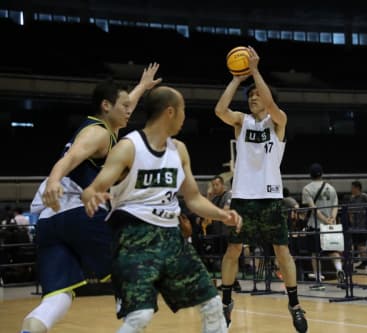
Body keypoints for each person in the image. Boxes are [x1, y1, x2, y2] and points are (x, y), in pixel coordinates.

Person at [81, 86, 242, 333]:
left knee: (212, 306)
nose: (184, 116)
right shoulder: (128, 147)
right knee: (140, 316)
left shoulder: (179, 150)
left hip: (172, 238)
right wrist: (91, 196)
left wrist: (222, 214)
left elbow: (194, 198)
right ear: (170, 112)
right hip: (134, 238)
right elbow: (93, 188)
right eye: (183, 111)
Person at [21, 64, 161, 333]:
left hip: (49, 222)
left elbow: (126, 101)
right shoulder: (98, 133)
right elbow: (70, 158)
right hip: (78, 213)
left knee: (58, 298)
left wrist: (142, 86)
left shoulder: (106, 127)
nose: (129, 110)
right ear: (106, 106)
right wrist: (53, 181)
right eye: (124, 106)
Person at [214, 46, 307, 332]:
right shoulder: (241, 122)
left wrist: (254, 71)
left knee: (282, 252)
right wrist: (236, 79)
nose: (255, 99)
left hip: (270, 197)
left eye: (258, 96)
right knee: (233, 250)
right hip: (243, 197)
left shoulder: (278, 121)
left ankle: (294, 305)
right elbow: (219, 110)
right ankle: (226, 302)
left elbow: (270, 102)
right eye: (251, 97)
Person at [301, 163, 344, 285]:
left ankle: (319, 279)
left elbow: (313, 208)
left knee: (315, 253)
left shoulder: (307, 189)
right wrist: (332, 219)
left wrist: (324, 221)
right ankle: (339, 269)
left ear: (310, 175)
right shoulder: (331, 188)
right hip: (331, 225)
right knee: (333, 250)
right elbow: (335, 205)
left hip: (315, 226)